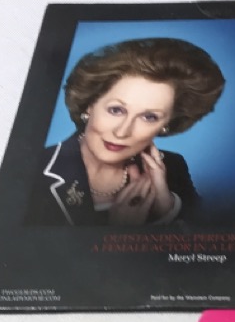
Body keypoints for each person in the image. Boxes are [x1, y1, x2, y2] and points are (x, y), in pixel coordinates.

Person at [30, 36, 225, 227]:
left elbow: (206, 239)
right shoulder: (35, 168)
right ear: (89, 105)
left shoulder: (172, 168)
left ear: (166, 124)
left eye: (149, 117)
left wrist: (167, 209)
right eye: (116, 110)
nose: (122, 132)